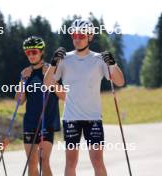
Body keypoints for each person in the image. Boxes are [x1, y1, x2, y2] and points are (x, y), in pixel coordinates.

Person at [44, 18, 125, 176]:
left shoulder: (99, 59)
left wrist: (113, 64)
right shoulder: (64, 59)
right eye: (74, 35)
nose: (77, 39)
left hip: (93, 118)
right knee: (71, 163)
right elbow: (47, 85)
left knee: (97, 161)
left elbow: (120, 81)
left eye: (81, 35)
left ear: (90, 37)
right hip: (71, 118)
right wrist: (53, 64)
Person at [15, 36, 65, 176]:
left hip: (47, 122)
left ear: (41, 52)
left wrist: (51, 80)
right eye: (28, 52)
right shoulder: (25, 73)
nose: (31, 55)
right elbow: (19, 101)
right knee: (31, 162)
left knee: (44, 161)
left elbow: (64, 96)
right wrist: (22, 80)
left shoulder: (52, 70)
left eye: (34, 52)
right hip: (30, 122)